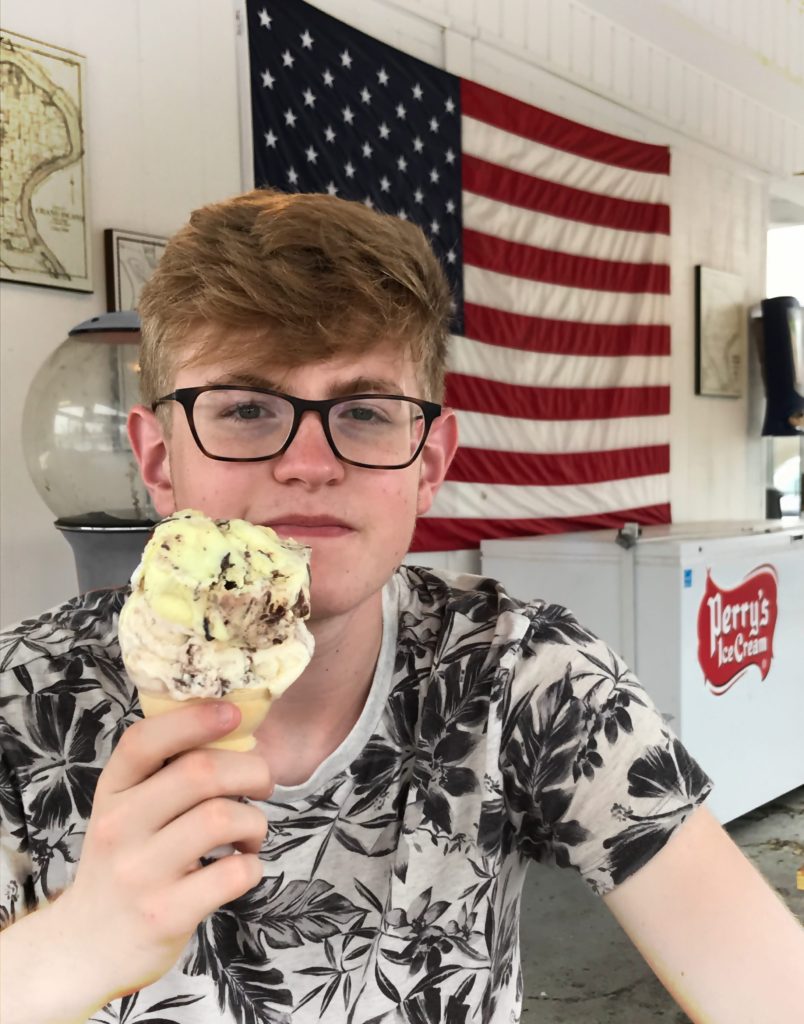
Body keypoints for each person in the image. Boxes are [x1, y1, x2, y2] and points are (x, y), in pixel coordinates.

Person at [0, 190, 802, 1024]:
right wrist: (70, 949)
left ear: (429, 463)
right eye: (245, 408)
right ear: (159, 461)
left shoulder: (526, 678)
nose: (309, 462)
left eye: (366, 412)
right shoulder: (22, 699)